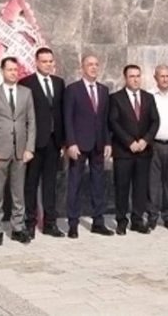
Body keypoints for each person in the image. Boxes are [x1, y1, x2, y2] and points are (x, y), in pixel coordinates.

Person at [0, 57, 36, 245]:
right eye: (10, 69)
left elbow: (31, 122)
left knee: (18, 192)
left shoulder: (26, 93)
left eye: (16, 69)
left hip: (20, 151)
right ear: (2, 71)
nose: (13, 73)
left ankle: (17, 227)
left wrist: (30, 147)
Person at [63, 55, 113, 238]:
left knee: (98, 184)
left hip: (98, 144)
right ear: (82, 67)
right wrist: (71, 143)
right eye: (89, 64)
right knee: (75, 183)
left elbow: (105, 119)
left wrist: (108, 142)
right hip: (79, 144)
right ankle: (73, 223)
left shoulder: (103, 90)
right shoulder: (73, 90)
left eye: (96, 64)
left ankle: (98, 222)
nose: (93, 67)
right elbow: (67, 118)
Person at [19, 47, 66, 238]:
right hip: (34, 142)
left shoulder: (59, 83)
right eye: (44, 61)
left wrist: (64, 141)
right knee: (31, 183)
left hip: (54, 142)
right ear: (36, 62)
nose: (48, 64)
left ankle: (50, 223)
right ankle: (29, 223)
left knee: (50, 184)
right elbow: (22, 115)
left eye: (50, 61)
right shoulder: (26, 83)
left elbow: (61, 112)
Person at [108, 64, 158, 235]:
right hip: (124, 151)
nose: (135, 79)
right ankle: (121, 221)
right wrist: (129, 142)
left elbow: (155, 121)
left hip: (144, 151)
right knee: (122, 187)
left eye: (138, 76)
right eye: (131, 76)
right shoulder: (116, 98)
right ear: (125, 78)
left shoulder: (148, 98)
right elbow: (114, 122)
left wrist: (145, 140)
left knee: (140, 187)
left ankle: (137, 220)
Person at [147, 64, 168, 231]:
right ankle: (152, 216)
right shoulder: (149, 96)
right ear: (156, 78)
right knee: (153, 183)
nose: (165, 79)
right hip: (154, 144)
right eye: (162, 76)